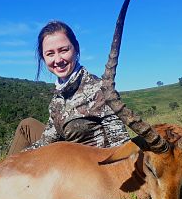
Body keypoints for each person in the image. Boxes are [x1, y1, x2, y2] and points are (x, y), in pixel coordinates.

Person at [8, 21, 130, 155]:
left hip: (91, 169)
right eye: (50, 53)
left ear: (76, 48)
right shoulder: (58, 98)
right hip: (64, 162)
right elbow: (47, 141)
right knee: (27, 125)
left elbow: (122, 149)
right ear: (43, 58)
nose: (58, 59)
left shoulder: (100, 90)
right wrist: (17, 161)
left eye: (64, 50)